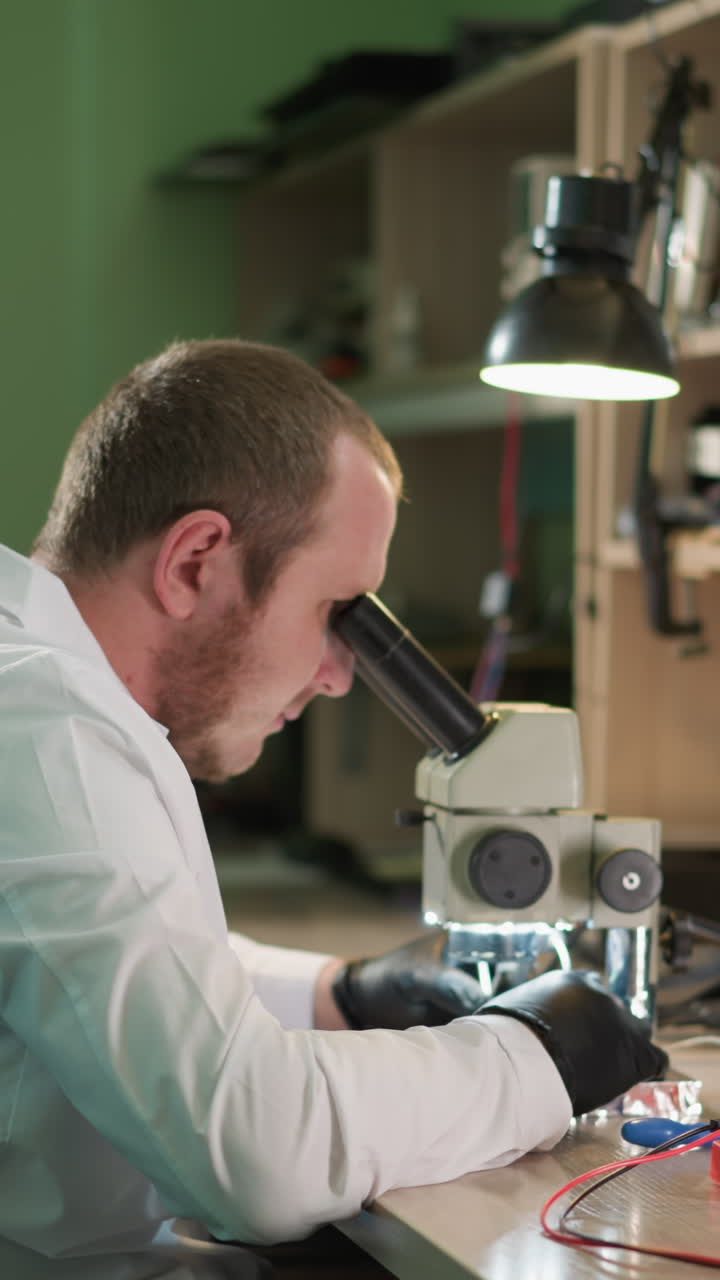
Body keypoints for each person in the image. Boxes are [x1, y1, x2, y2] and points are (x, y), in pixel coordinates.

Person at [0, 339, 666, 1279]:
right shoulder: (45, 732)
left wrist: (338, 994)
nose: (341, 675)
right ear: (195, 561)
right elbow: (253, 1152)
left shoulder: (43, 690)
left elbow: (101, 961)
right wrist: (537, 1058)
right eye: (335, 609)